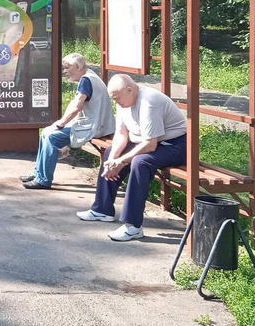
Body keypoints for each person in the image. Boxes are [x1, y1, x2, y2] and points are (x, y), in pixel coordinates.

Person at [76, 73, 187, 241]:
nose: (116, 102)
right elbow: (121, 134)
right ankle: (102, 209)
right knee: (109, 153)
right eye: (113, 99)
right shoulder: (124, 99)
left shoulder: (149, 101)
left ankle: (133, 226)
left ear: (130, 89)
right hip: (145, 141)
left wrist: (121, 161)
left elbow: (150, 144)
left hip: (175, 144)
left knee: (140, 162)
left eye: (118, 98)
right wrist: (112, 161)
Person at [21, 53, 114, 189]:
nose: (65, 71)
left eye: (68, 67)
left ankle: (43, 180)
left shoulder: (86, 80)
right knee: (45, 133)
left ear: (78, 66)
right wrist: (60, 123)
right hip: (97, 123)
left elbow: (77, 107)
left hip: (95, 126)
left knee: (52, 137)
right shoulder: (90, 75)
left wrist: (61, 124)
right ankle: (38, 173)